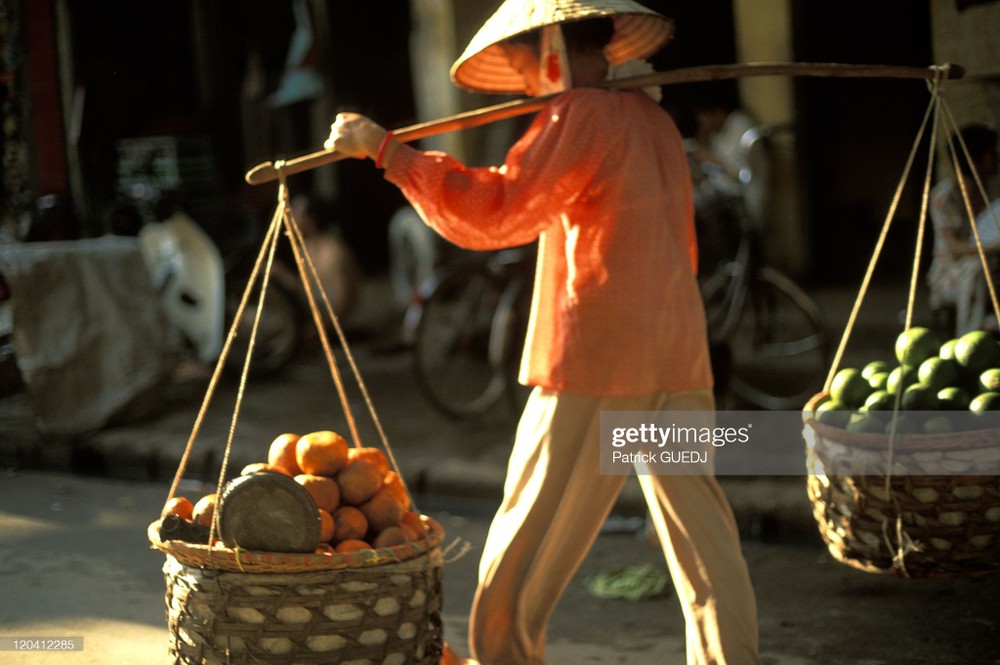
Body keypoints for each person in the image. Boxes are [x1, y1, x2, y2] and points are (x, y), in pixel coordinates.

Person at [325, 2, 761, 663]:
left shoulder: (581, 115)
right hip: (675, 348)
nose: (526, 78)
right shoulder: (653, 119)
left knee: (533, 521)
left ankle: (506, 656)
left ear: (551, 48)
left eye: (526, 60)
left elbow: (498, 209)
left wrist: (388, 151)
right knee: (700, 534)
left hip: (596, 358)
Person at [927, 123, 1000, 337]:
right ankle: (969, 341)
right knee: (977, 269)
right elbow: (954, 249)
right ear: (977, 159)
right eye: (991, 153)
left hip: (994, 271)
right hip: (953, 274)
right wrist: (994, 249)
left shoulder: (995, 192)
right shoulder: (945, 196)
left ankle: (989, 326)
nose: (996, 158)